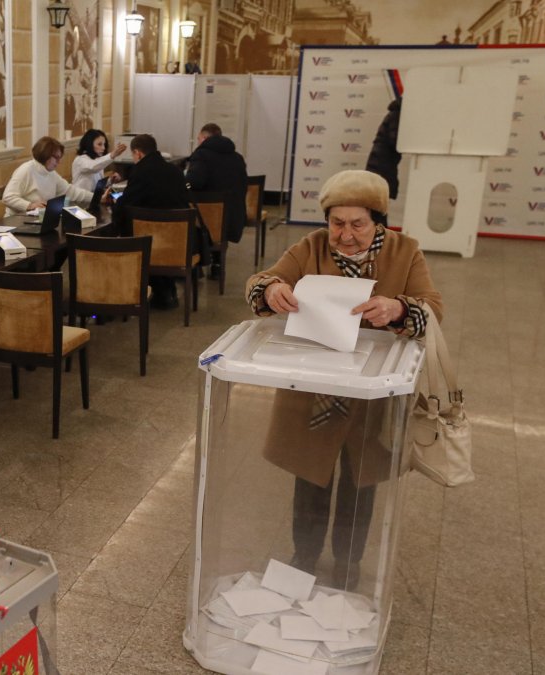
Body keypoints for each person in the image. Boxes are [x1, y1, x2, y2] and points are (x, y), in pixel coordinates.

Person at [245, 169, 443, 590]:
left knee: (360, 482)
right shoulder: (310, 247)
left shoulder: (405, 252)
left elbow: (433, 309)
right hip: (314, 387)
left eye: (357, 224)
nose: (346, 234)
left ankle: (349, 563)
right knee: (311, 477)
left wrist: (397, 308)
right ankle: (305, 555)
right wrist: (271, 290)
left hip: (372, 393)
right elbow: (259, 282)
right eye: (337, 223)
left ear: (377, 221)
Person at [111, 134, 191, 309]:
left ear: (138, 153)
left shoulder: (140, 172)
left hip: (151, 243)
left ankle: (138, 291)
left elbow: (127, 203)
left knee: (135, 232)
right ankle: (167, 292)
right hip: (180, 240)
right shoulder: (175, 170)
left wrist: (114, 206)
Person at [186, 122, 248, 279]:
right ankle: (217, 265)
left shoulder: (201, 155)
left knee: (187, 211)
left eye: (199, 138)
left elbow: (195, 182)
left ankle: (196, 265)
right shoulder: (237, 158)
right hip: (231, 217)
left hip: (206, 219)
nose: (198, 142)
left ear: (205, 138)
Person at [2, 136, 94, 215]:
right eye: (56, 158)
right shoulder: (26, 170)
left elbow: (70, 191)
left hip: (37, 219)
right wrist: (30, 205)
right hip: (17, 222)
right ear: (45, 155)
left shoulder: (50, 173)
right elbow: (8, 197)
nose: (59, 162)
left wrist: (95, 197)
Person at [365, 96, 403, 226]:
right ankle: (380, 235)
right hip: (382, 166)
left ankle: (378, 235)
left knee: (378, 204)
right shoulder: (397, 116)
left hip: (378, 164)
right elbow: (395, 140)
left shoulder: (393, 114)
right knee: (380, 205)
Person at [70, 129, 126, 193]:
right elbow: (93, 167)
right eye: (99, 144)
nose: (103, 148)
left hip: (93, 199)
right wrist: (112, 155)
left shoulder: (98, 160)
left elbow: (97, 184)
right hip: (80, 201)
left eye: (104, 144)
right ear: (89, 144)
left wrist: (111, 181)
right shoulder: (80, 160)